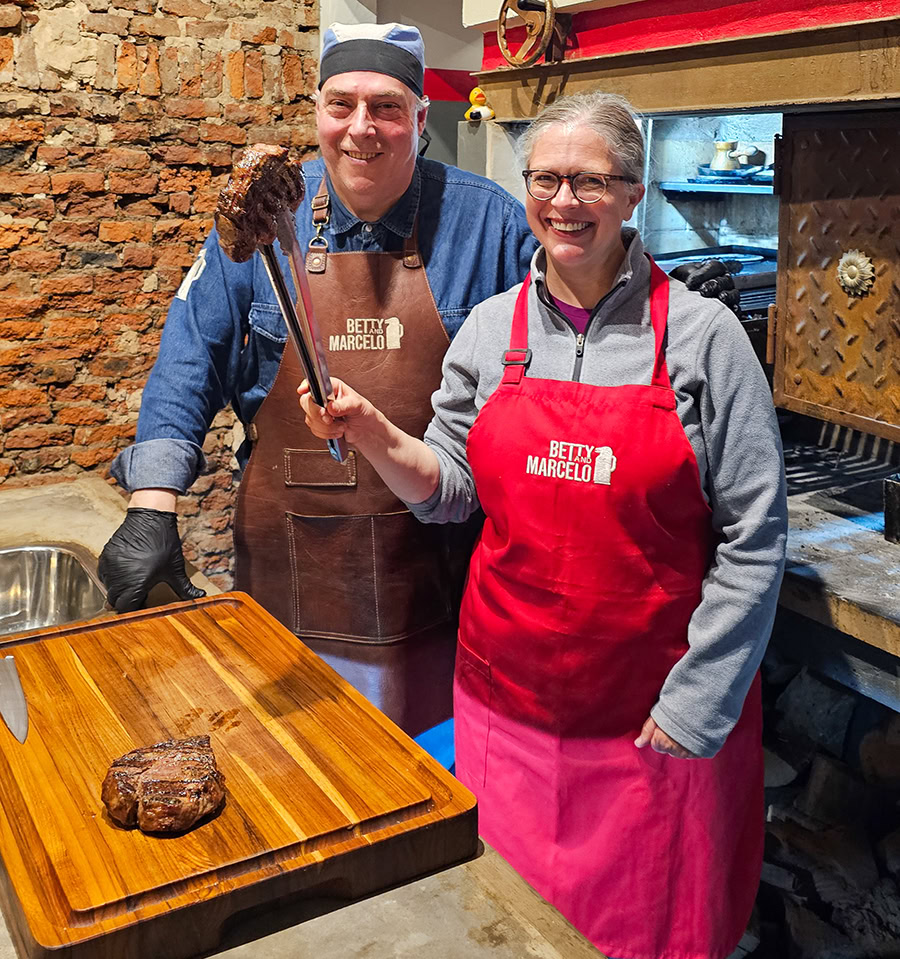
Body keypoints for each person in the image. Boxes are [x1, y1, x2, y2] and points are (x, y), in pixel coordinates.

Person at [98, 18, 742, 742]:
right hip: (289, 570)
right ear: (317, 111)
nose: (360, 129)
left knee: (430, 792)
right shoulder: (265, 220)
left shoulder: (488, 222)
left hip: (437, 574)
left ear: (421, 119)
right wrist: (153, 503)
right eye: (341, 105)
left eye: (386, 108)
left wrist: (660, 293)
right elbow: (189, 352)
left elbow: (571, 287)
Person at [299, 91, 787, 958]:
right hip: (506, 710)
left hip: (651, 721)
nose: (565, 202)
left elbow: (756, 541)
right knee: (507, 928)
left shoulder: (706, 343)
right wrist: (370, 429)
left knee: (648, 930)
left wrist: (697, 704)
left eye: (590, 181)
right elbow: (451, 486)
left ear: (634, 192)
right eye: (547, 179)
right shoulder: (491, 331)